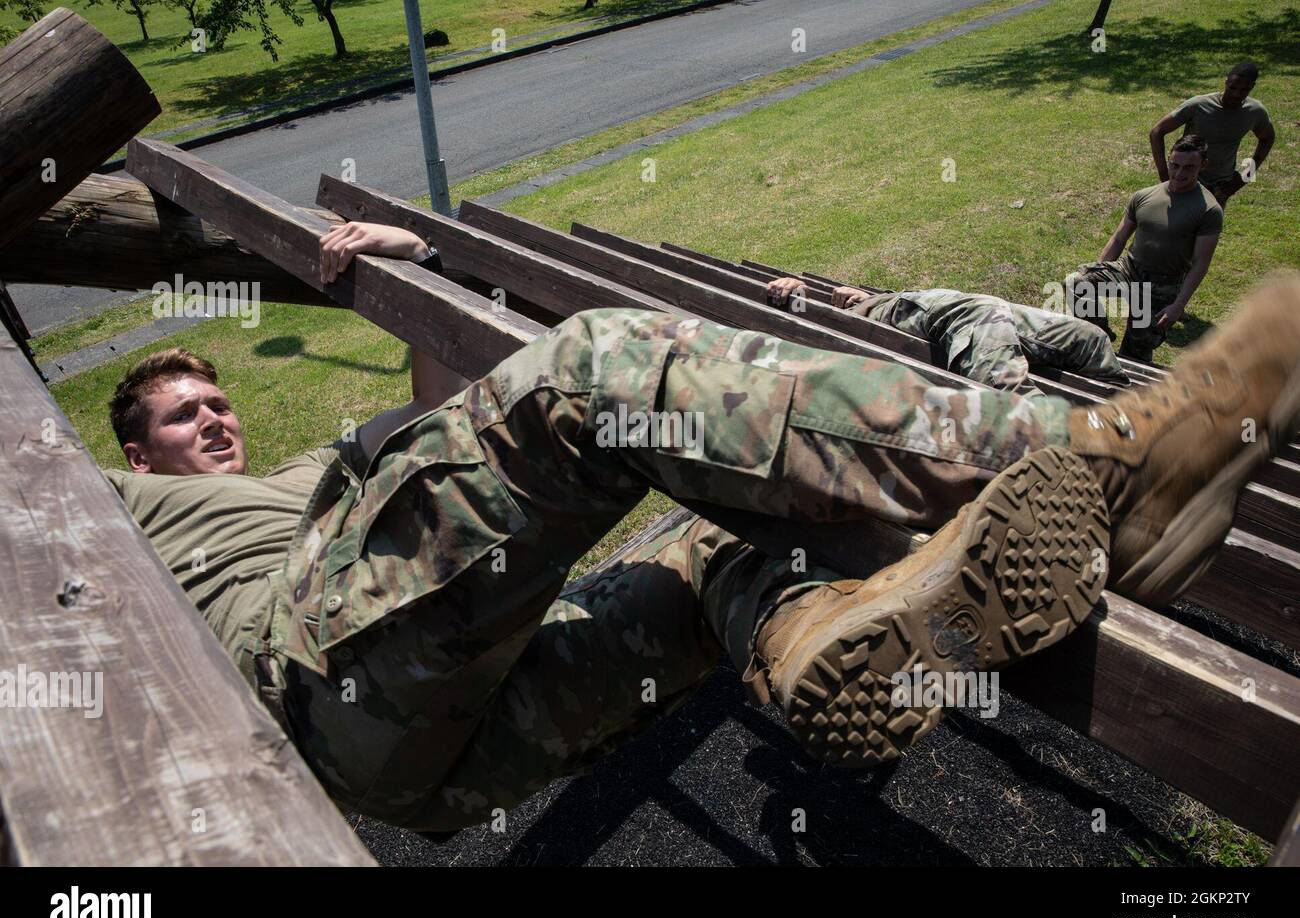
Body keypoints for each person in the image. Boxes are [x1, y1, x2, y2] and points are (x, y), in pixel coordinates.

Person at [102, 220, 1300, 832]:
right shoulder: (116, 511)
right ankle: (1101, 473)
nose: (209, 420)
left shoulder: (308, 475)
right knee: (594, 371)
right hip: (302, 682)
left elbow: (449, 439)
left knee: (707, 549)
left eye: (216, 399)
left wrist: (413, 254)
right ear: (131, 451)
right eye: (176, 413)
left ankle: (819, 638)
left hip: (446, 749)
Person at [764, 277, 1129, 395]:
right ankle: (1043, 427)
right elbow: (793, 308)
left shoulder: (864, 298)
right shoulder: (846, 312)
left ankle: (1131, 412)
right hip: (918, 310)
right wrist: (795, 288)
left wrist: (857, 294)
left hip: (927, 301)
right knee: (981, 312)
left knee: (1089, 336)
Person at [1064, 135, 1223, 363]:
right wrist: (1101, 270)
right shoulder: (1144, 196)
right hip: (1129, 269)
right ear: (1168, 161)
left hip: (1162, 284)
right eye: (1175, 166)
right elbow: (1119, 239)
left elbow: (1200, 263)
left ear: (1203, 165)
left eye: (1189, 167)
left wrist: (1178, 305)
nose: (1179, 174)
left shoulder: (1208, 210)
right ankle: (1099, 336)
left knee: (1136, 353)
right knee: (1077, 282)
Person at [1148, 61, 1275, 208]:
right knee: (1179, 228)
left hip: (1221, 187)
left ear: (1252, 87)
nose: (1236, 94)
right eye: (1232, 87)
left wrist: (1245, 177)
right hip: (1187, 180)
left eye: (1243, 90)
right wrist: (1165, 175)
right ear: (1226, 81)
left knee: (1209, 229)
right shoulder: (1199, 105)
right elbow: (1156, 132)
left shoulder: (1254, 112)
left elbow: (1267, 139)